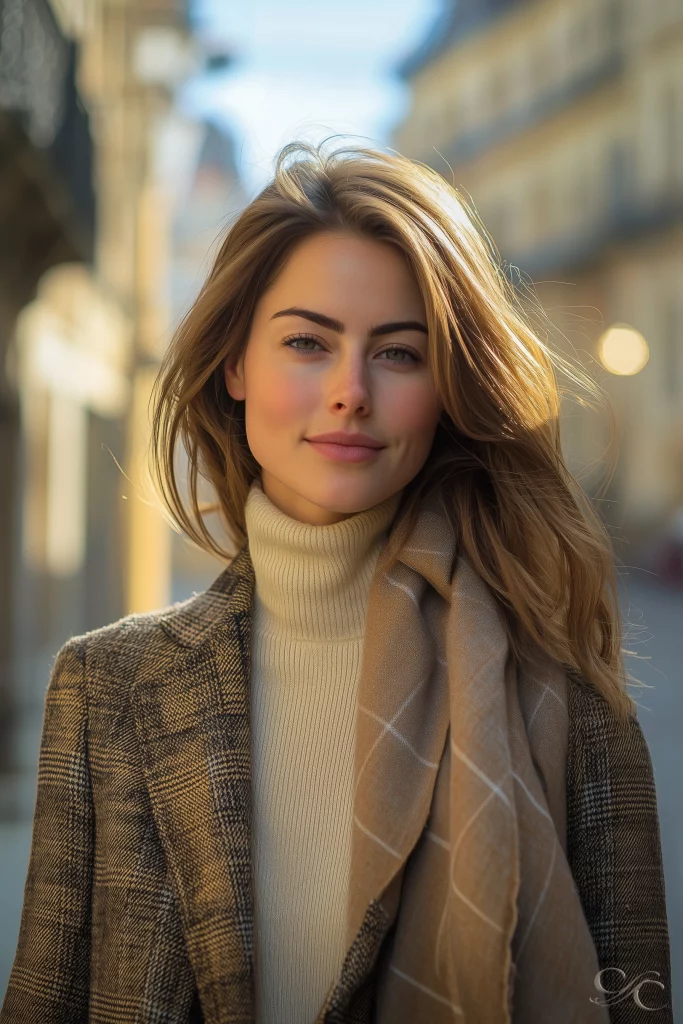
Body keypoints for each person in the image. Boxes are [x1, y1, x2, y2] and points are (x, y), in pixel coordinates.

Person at [1, 139, 672, 1024]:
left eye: (398, 353)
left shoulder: (570, 702)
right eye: (308, 343)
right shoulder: (105, 688)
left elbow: (633, 1002)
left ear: (448, 388)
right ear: (236, 366)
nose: (350, 391)